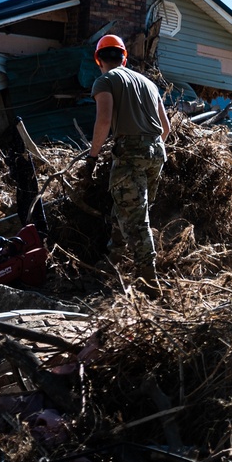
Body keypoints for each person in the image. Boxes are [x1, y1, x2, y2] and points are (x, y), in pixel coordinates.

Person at [84, 34, 170, 285]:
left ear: (98, 59)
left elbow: (104, 120)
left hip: (131, 153)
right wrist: (148, 146)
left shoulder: (105, 81)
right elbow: (165, 128)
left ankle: (149, 279)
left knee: (135, 216)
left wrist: (93, 157)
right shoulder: (148, 83)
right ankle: (114, 259)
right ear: (124, 57)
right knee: (126, 207)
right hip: (156, 152)